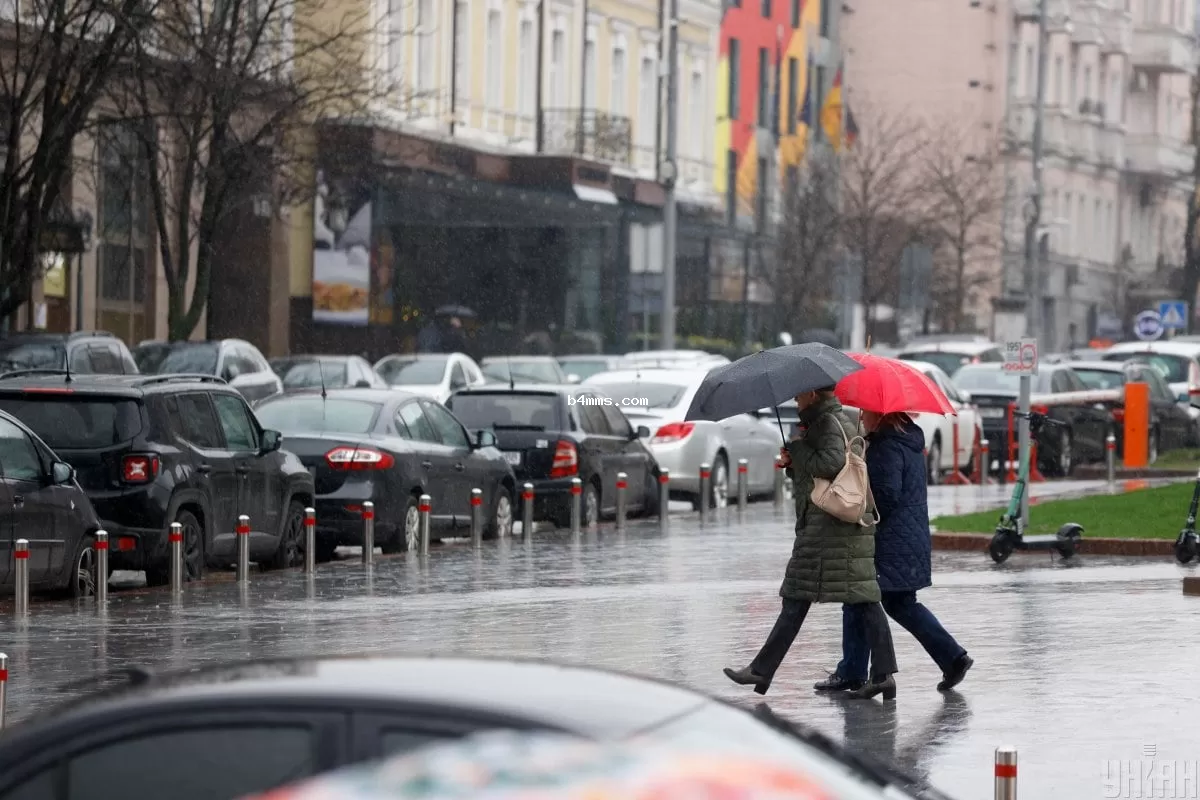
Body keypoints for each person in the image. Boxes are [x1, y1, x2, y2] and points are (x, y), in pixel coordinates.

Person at [723, 387, 899, 700]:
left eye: (800, 395)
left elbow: (830, 463)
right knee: (812, 598)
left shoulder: (827, 422)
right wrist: (795, 462)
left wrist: (798, 449)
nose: (795, 400)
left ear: (814, 394)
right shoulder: (832, 420)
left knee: (857, 600)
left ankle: (763, 671)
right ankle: (762, 671)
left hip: (832, 534)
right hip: (828, 532)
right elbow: (822, 472)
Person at [814, 411, 973, 694]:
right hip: (906, 539)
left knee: (860, 599)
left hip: (891, 541)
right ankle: (952, 658)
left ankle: (854, 672)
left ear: (880, 414)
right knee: (897, 603)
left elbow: (885, 496)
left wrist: (858, 502)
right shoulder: (905, 440)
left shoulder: (888, 446)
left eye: (867, 411)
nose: (863, 416)